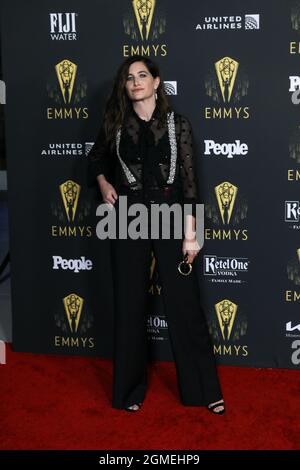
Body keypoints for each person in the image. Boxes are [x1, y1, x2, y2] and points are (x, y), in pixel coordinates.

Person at [87, 55, 225, 414]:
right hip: (127, 218)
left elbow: (191, 185)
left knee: (185, 306)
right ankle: (129, 392)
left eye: (142, 75)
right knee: (129, 305)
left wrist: (191, 235)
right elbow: (96, 158)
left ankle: (203, 391)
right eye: (130, 77)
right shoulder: (116, 123)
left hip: (171, 216)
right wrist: (104, 185)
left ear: (156, 81)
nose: (135, 82)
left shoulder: (178, 124)